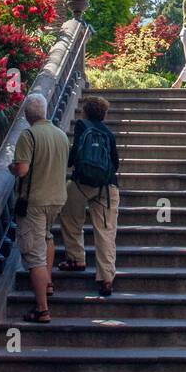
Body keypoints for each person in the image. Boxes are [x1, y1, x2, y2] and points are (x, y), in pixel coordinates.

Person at [8, 91, 69, 324]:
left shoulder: (29, 135)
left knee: (34, 257)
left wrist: (11, 168)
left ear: (26, 114)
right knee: (46, 238)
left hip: (35, 201)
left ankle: (42, 309)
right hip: (57, 198)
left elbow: (22, 170)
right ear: (44, 111)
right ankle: (49, 283)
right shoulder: (61, 135)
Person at [58, 95, 121, 296]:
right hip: (107, 186)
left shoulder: (81, 126)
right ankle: (106, 279)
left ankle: (76, 258)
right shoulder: (109, 134)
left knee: (69, 216)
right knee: (106, 231)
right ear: (103, 114)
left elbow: (75, 154)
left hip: (81, 183)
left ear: (85, 111)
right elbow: (115, 163)